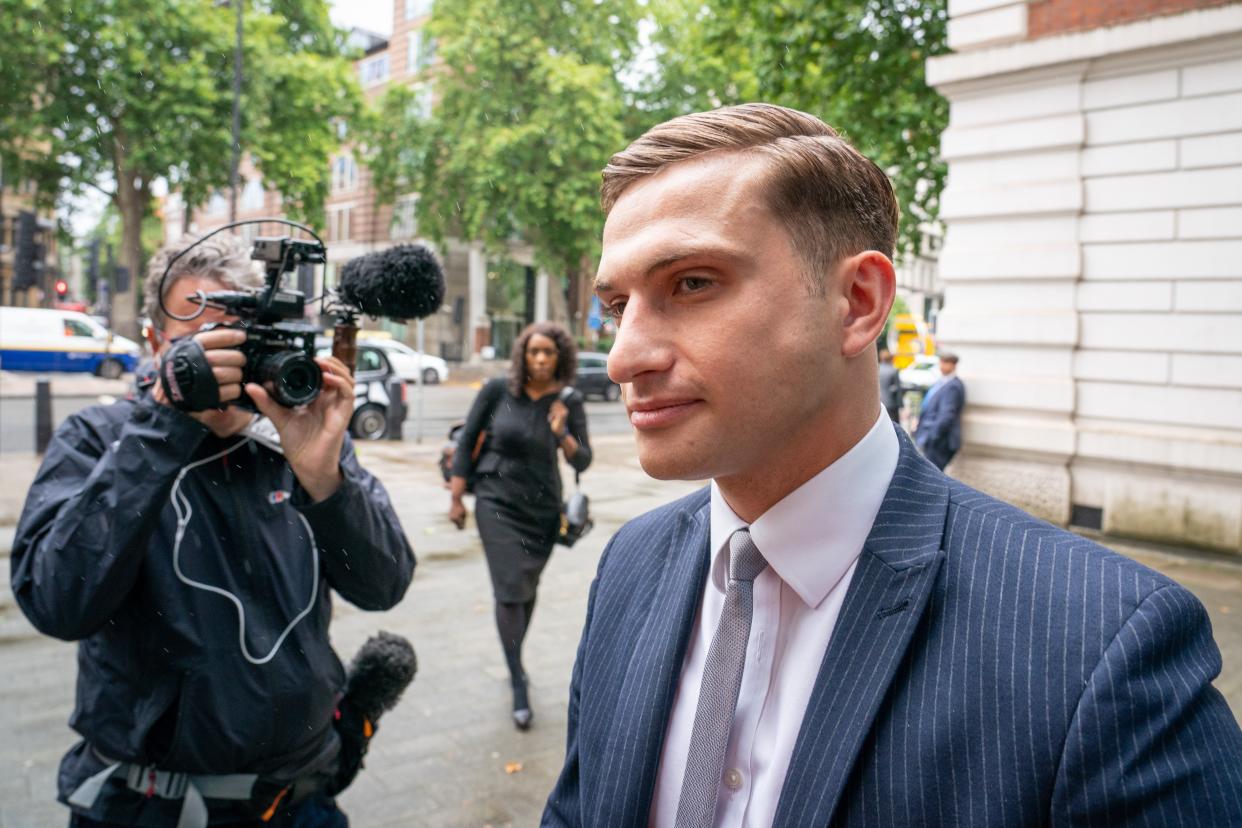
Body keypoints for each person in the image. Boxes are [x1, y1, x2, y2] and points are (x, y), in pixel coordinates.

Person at [543, 103, 1242, 827]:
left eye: (692, 283)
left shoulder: (1104, 647)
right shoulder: (630, 565)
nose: (624, 355)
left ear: (857, 302)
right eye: (617, 304)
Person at [11, 234, 415, 827]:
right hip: (150, 805)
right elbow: (56, 601)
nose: (224, 369)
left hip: (299, 799)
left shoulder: (295, 435)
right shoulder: (101, 438)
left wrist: (325, 480)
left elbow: (384, 585)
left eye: (243, 345)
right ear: (156, 343)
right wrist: (164, 425)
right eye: (204, 347)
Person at [448, 322, 592, 731]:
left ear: (560, 358)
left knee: (525, 591)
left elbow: (583, 461)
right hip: (496, 504)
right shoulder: (498, 391)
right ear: (523, 356)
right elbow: (467, 439)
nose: (541, 359)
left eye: (549, 353)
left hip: (543, 510)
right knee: (511, 591)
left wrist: (562, 432)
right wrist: (456, 497)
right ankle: (518, 680)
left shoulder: (568, 400)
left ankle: (515, 659)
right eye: (534, 352)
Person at [914, 352, 964, 470]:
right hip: (932, 439)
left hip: (939, 442)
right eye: (941, 362)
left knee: (932, 476)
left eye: (946, 362)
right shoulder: (942, 382)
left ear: (953, 365)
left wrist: (932, 436)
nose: (942, 366)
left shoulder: (953, 386)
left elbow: (946, 415)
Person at [876, 347, 901, 423]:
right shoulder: (893, 370)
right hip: (891, 403)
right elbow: (897, 389)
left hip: (878, 402)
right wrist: (900, 404)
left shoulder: (877, 368)